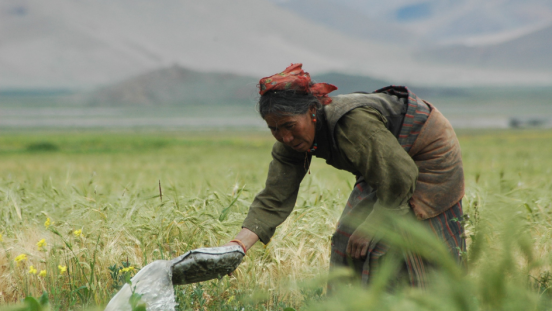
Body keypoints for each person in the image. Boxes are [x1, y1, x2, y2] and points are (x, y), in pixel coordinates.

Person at [224, 63, 465, 287]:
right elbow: (275, 197)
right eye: (274, 129)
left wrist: (371, 226)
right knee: (347, 238)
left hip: (427, 152)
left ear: (312, 111)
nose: (285, 137)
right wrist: (238, 246)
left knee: (388, 243)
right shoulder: (291, 143)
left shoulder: (352, 124)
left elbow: (400, 176)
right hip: (385, 161)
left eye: (289, 125)